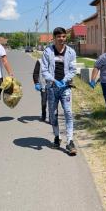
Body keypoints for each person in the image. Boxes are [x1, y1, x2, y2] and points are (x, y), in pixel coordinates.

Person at [41, 27, 77, 155]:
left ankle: (70, 141)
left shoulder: (71, 52)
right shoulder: (47, 51)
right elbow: (44, 70)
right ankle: (57, 137)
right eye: (59, 37)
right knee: (53, 113)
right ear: (54, 38)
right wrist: (54, 80)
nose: (61, 39)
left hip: (65, 87)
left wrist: (65, 80)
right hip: (52, 88)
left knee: (68, 112)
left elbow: (73, 69)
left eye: (63, 36)